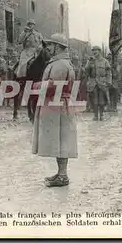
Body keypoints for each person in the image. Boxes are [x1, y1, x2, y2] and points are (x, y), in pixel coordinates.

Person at [32, 33, 77, 187]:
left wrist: (36, 86)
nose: (48, 48)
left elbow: (53, 85)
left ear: (58, 47)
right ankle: (61, 173)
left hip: (57, 105)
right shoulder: (62, 62)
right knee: (60, 140)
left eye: (51, 45)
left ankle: (63, 176)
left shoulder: (59, 64)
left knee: (61, 140)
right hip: (59, 104)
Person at [85, 46, 112, 121]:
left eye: (96, 50)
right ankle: (95, 115)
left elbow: (109, 73)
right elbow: (86, 71)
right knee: (94, 100)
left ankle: (102, 115)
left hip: (102, 83)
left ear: (99, 51)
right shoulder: (90, 61)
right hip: (93, 83)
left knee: (102, 100)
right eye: (93, 51)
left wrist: (109, 81)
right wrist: (89, 62)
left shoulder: (105, 61)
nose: (94, 52)